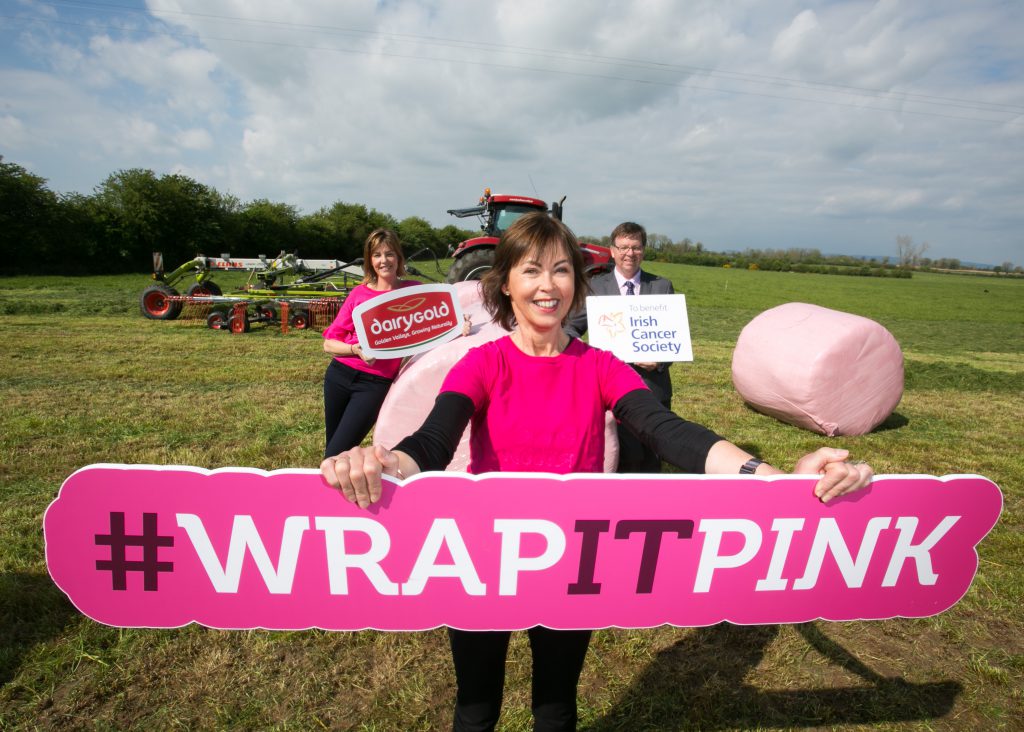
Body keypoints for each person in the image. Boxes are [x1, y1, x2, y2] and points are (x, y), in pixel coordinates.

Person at [320, 212, 873, 732]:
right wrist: (385, 460)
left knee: (557, 707)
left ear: (576, 285)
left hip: (570, 562)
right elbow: (435, 439)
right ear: (506, 283)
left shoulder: (600, 366)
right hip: (484, 555)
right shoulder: (481, 361)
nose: (548, 284)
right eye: (531, 269)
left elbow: (669, 432)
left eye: (561, 269)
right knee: (475, 706)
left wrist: (769, 476)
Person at [565, 221, 674, 473]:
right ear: (612, 251)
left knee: (650, 456)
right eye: (623, 247)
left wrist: (659, 362)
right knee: (617, 454)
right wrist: (584, 355)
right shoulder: (594, 287)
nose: (630, 253)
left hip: (651, 386)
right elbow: (571, 328)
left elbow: (672, 337)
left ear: (643, 251)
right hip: (608, 386)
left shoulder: (661, 286)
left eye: (635, 247)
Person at [321, 228, 419, 458]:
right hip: (339, 375)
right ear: (370, 260)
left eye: (389, 254)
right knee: (333, 449)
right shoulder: (358, 294)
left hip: (373, 385)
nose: (383, 260)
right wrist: (355, 349)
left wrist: (458, 324)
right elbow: (329, 344)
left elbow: (440, 317)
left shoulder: (413, 291)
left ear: (399, 257)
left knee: (337, 453)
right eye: (377, 255)